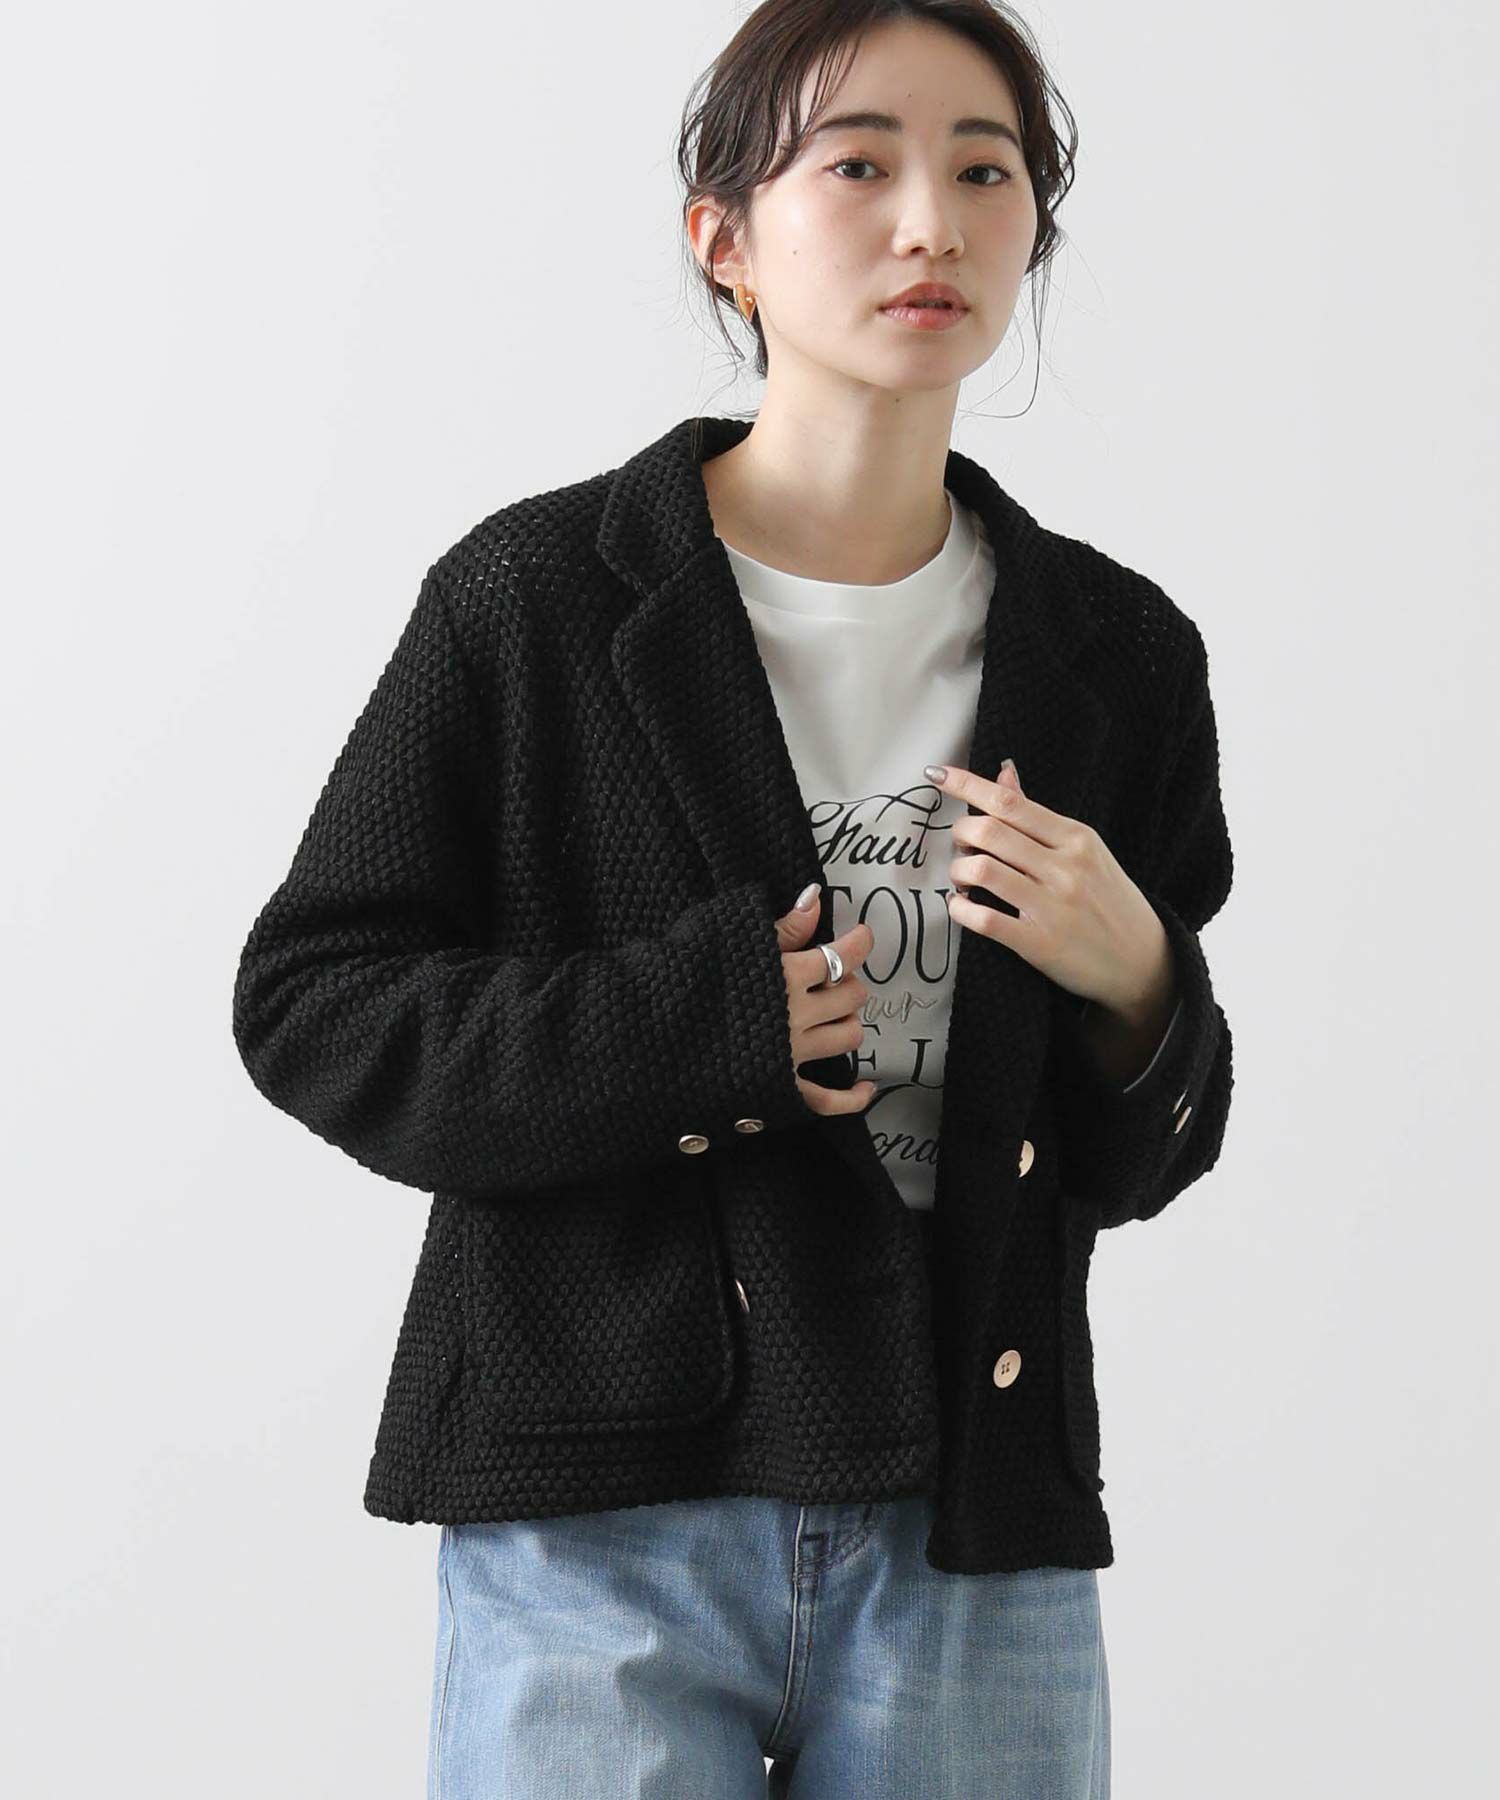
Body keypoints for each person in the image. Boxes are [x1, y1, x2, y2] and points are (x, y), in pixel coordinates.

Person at [231, 3, 1234, 1794]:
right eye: (857, 165)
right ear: (725, 236)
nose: (930, 222)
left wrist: (1143, 983)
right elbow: (316, 1004)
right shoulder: (540, 599)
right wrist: (707, 1023)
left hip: (974, 1521)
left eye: (985, 172)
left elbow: (1137, 1160)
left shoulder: (1117, 652)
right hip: (601, 1513)